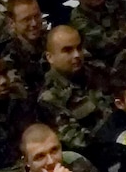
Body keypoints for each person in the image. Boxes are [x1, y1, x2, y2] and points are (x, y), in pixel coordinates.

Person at [35, 23, 114, 151]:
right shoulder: (49, 98)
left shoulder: (96, 70)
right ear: (50, 57)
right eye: (67, 50)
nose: (76, 55)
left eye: (79, 48)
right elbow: (79, 141)